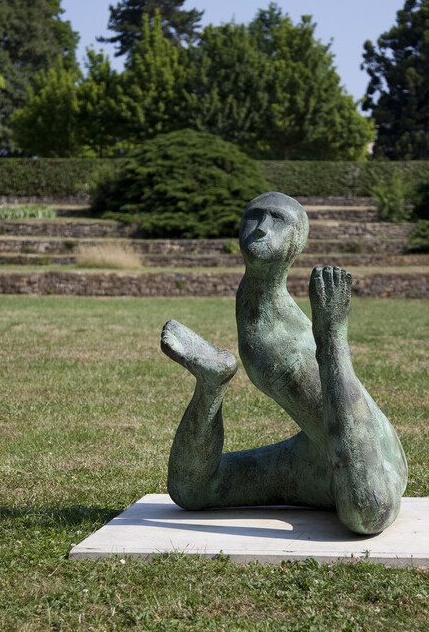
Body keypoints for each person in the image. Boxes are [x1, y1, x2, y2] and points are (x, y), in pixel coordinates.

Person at [160, 192, 408, 535]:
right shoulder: (255, 298)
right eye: (255, 217)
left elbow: (354, 428)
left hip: (372, 457)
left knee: (368, 511)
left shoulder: (270, 311)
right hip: (312, 460)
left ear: (299, 240)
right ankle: (211, 384)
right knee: (192, 491)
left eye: (277, 220)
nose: (260, 229)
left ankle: (327, 347)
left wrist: (333, 337)